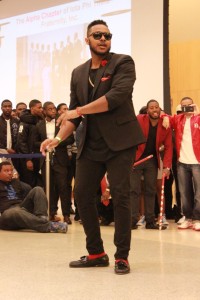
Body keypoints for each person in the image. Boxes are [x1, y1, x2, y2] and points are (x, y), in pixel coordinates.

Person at [40, 19, 145, 275]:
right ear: (87, 40)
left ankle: (122, 256)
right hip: (91, 145)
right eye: (97, 35)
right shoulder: (78, 72)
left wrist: (78, 110)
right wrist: (58, 138)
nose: (103, 39)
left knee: (120, 196)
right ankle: (96, 252)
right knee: (83, 195)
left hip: (120, 143)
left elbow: (115, 98)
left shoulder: (123, 62)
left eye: (107, 35)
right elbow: (74, 117)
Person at [130, 99, 173, 230]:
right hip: (135, 159)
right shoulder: (139, 119)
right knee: (134, 190)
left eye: (157, 107)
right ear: (147, 110)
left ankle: (150, 221)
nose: (155, 109)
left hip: (151, 160)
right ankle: (132, 220)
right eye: (152, 108)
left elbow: (169, 147)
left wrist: (166, 167)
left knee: (150, 190)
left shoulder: (164, 124)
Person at [163, 97, 200, 230]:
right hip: (182, 162)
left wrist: (197, 112)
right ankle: (188, 217)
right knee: (184, 193)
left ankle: (198, 218)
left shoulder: (198, 118)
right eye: (183, 106)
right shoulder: (178, 119)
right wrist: (165, 116)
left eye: (189, 105)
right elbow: (163, 114)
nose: (187, 108)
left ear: (193, 105)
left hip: (197, 161)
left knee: (199, 193)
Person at [35, 101, 74, 224]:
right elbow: (34, 142)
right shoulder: (39, 125)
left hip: (60, 159)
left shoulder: (62, 122)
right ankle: (51, 213)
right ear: (44, 111)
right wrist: (46, 143)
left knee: (63, 187)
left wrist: (56, 142)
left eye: (54, 109)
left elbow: (70, 139)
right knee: (49, 187)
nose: (53, 111)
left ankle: (66, 215)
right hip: (45, 160)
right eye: (50, 109)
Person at [0, 161, 67, 233]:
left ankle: (42, 219)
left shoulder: (16, 182)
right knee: (15, 211)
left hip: (21, 209)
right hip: (8, 215)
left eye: (11, 170)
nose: (10, 173)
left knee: (38, 189)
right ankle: (49, 226)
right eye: (6, 171)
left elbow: (30, 191)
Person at [17, 99, 44, 187]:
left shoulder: (39, 120)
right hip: (28, 159)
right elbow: (21, 142)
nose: (41, 109)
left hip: (38, 157)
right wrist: (28, 159)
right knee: (28, 183)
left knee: (38, 182)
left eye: (42, 107)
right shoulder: (24, 122)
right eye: (39, 107)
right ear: (32, 108)